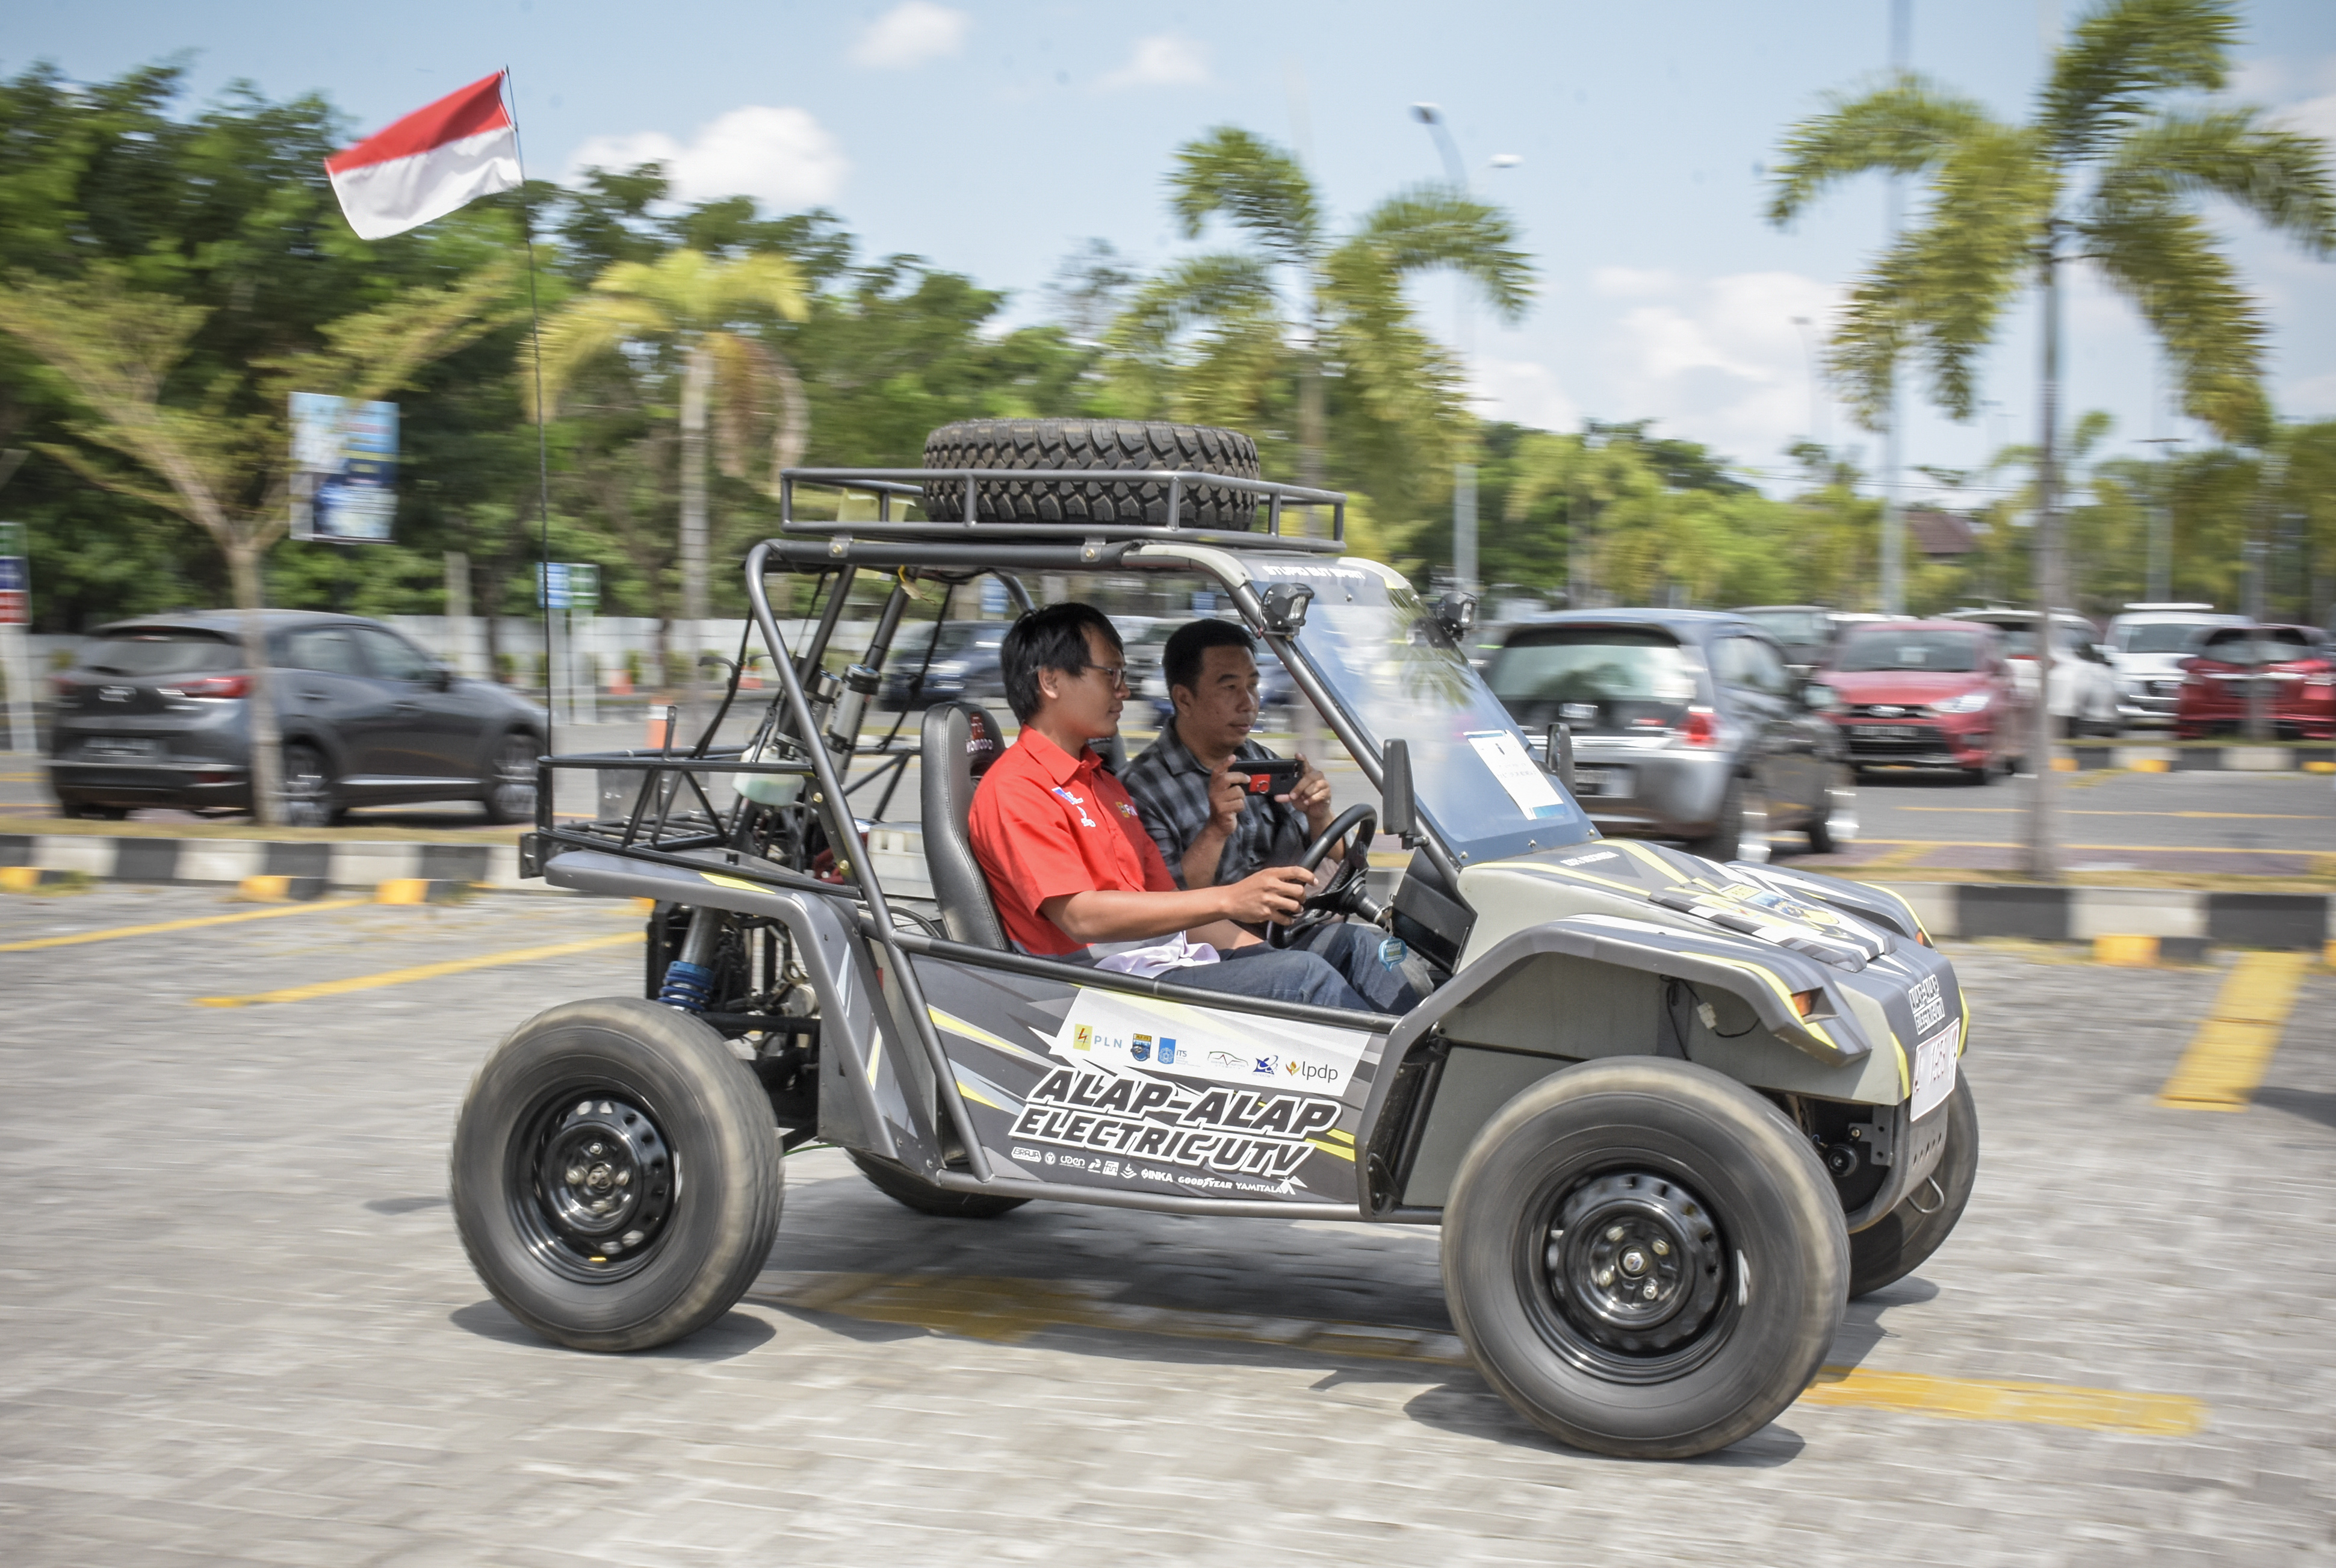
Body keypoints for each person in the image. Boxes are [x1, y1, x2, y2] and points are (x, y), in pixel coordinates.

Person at [965, 601, 1405, 1014]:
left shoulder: (1102, 784)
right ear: (1051, 681)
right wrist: (1232, 898)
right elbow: (1080, 917)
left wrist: (1262, 955)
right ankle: (1392, 1071)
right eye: (1111, 674)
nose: (1125, 690)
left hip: (1162, 960)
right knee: (1305, 978)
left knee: (1355, 947)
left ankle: (1424, 1059)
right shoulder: (1018, 787)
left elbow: (1173, 906)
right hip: (1096, 990)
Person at [1120, 616, 1417, 1014]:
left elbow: (1333, 860)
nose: (1248, 702)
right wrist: (1216, 830)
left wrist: (1318, 814)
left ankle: (1424, 1042)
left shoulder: (1259, 760)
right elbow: (1170, 907)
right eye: (1229, 688)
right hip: (1206, 953)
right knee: (1306, 974)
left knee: (1373, 947)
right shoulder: (1142, 789)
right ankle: (1377, 1052)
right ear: (1184, 698)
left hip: (1285, 931)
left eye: (1253, 685)